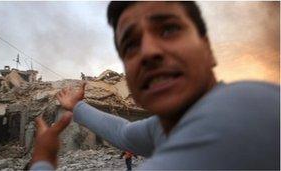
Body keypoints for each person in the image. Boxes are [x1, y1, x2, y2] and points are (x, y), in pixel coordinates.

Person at [30, 1, 279, 170]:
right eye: (131, 45)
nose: (148, 52)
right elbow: (123, 133)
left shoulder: (245, 110)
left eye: (169, 30)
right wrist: (79, 106)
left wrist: (42, 159)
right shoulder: (169, 126)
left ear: (208, 50)